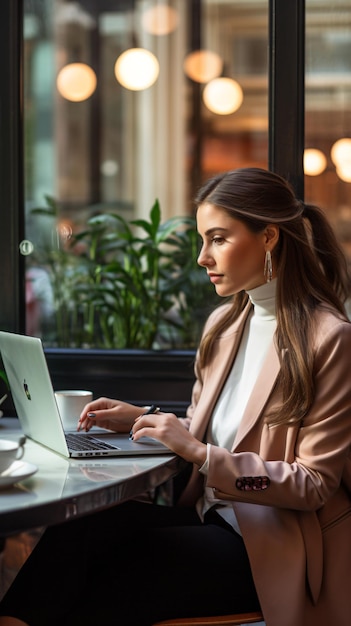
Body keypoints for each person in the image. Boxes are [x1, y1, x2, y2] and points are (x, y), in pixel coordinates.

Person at [1, 167, 351, 626]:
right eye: (202, 240)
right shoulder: (225, 326)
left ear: (268, 237)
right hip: (210, 520)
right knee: (79, 532)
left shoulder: (330, 339)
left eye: (218, 239)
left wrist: (199, 452)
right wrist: (143, 419)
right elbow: (222, 437)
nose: (203, 258)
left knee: (107, 585)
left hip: (273, 546)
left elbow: (313, 484)